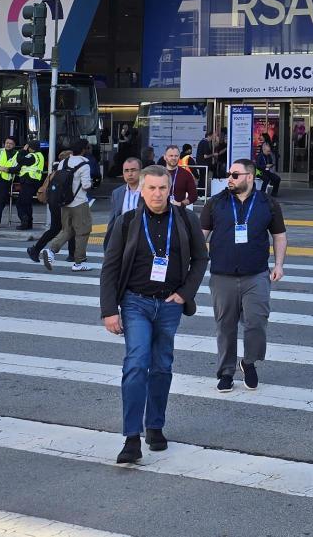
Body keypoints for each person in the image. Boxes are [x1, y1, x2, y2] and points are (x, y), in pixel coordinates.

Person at [100, 165, 208, 462]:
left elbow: (201, 259)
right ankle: (131, 438)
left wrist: (185, 293)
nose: (157, 194)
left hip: (170, 305)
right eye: (152, 188)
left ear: (169, 189)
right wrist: (109, 310)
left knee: (161, 366)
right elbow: (110, 267)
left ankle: (155, 425)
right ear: (142, 190)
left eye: (162, 188)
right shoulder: (127, 222)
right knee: (136, 363)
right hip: (135, 303)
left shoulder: (186, 219)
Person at [199, 158, 287, 393]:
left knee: (257, 322)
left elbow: (279, 235)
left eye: (235, 175)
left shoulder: (268, 203)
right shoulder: (215, 203)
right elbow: (201, 236)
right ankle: (226, 372)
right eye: (229, 174)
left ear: (249, 176)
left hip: (256, 275)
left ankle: (248, 362)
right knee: (225, 326)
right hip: (222, 275)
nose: (229, 178)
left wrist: (278, 265)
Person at [39, 139, 96, 272]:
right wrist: (91, 183)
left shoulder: (63, 162)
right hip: (79, 203)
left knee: (67, 230)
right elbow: (86, 185)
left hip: (65, 203)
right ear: (84, 150)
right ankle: (79, 262)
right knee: (83, 232)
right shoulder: (84, 165)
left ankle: (51, 251)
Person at [107, 156, 143, 238]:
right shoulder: (117, 193)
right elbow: (113, 219)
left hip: (141, 234)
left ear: (141, 172)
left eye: (133, 170)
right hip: (122, 234)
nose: (130, 174)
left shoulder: (148, 191)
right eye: (126, 171)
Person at [14, 140, 44, 229]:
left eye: (29, 147)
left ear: (32, 148)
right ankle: (28, 223)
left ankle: (24, 222)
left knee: (21, 203)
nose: (28, 149)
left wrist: (23, 150)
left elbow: (20, 160)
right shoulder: (39, 155)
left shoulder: (32, 156)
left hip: (28, 181)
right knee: (27, 203)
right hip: (33, 181)